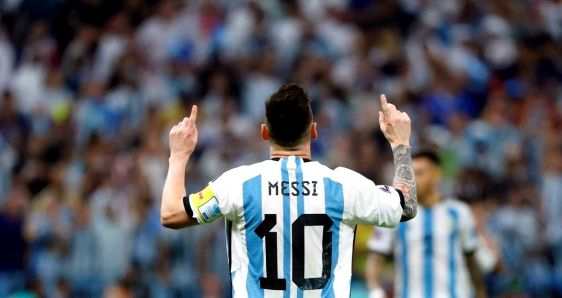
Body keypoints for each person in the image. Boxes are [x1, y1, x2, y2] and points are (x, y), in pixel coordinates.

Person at [160, 83, 417, 297]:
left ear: (264, 132)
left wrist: (179, 155)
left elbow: (171, 214)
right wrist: (400, 143)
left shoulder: (238, 184)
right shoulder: (343, 186)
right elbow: (405, 206)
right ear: (314, 131)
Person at [365, 150, 487, 298]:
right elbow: (375, 259)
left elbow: (472, 261)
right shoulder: (394, 213)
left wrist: (481, 293)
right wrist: (376, 291)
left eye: (420, 173)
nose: (414, 180)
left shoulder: (459, 213)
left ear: (437, 174)